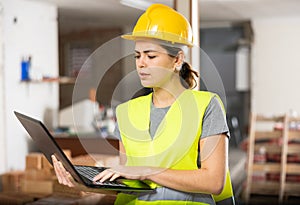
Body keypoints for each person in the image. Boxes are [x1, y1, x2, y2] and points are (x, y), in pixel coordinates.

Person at [52, 3, 235, 205]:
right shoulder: (127, 112)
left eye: (151, 56)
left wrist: (148, 172)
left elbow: (214, 181)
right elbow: (129, 184)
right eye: (137, 56)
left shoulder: (206, 106)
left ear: (177, 60)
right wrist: (84, 185)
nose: (141, 63)